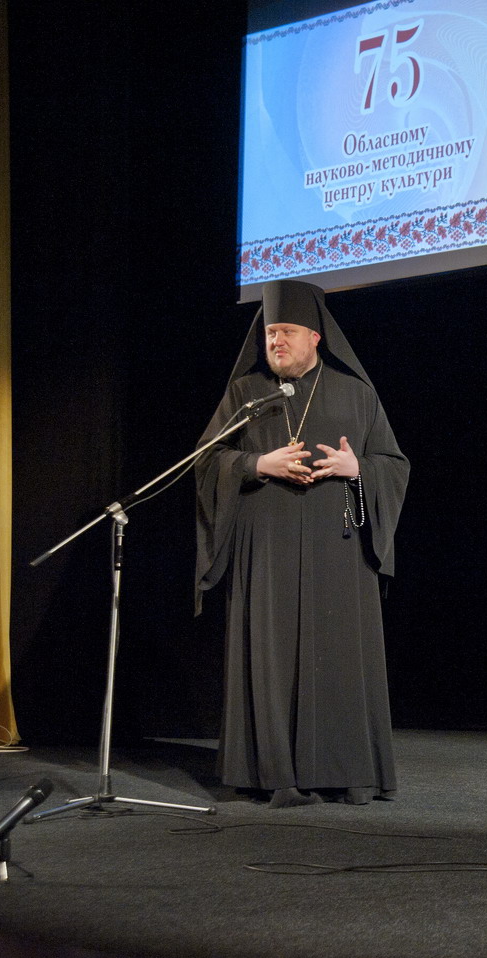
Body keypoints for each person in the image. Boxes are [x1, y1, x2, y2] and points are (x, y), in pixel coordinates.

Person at [194, 279, 409, 807]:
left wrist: (357, 469)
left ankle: (347, 771)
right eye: (271, 333)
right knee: (270, 657)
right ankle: (270, 773)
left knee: (338, 656)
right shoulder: (247, 393)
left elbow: (393, 464)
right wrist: (256, 463)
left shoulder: (356, 393)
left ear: (315, 336)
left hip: (338, 551)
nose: (276, 341)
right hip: (265, 550)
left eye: (286, 332)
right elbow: (207, 461)